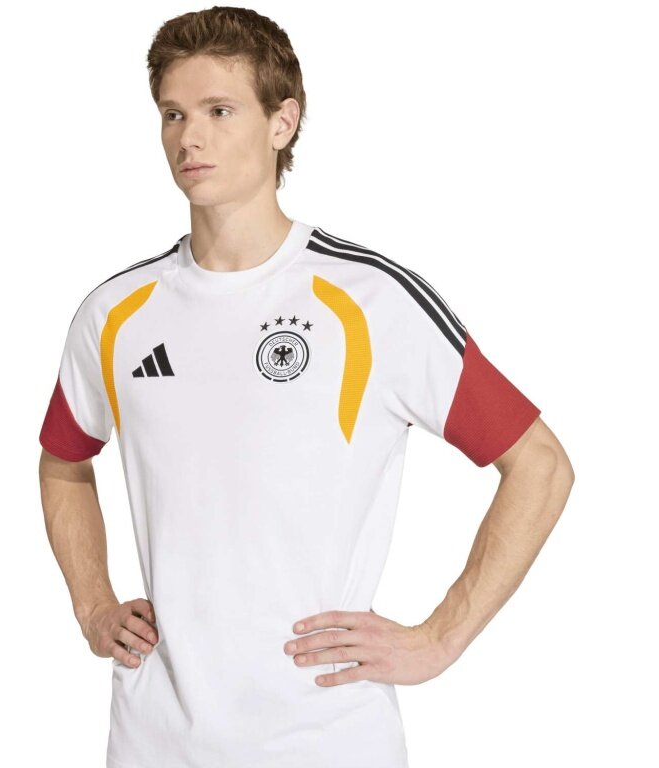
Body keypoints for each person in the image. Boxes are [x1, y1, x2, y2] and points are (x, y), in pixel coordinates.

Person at [37, 7, 575, 768]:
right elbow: (63, 461)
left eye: (220, 111)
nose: (189, 138)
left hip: (328, 738)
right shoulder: (115, 313)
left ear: (282, 122)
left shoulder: (369, 301)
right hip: (154, 740)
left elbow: (540, 465)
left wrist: (440, 638)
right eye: (173, 114)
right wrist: (93, 604)